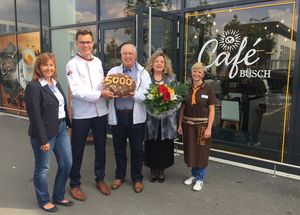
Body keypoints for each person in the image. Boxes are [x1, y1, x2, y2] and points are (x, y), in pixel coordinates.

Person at [66, 29, 116, 200]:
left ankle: (100, 178)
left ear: (93, 43)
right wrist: (101, 94)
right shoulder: (71, 64)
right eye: (82, 42)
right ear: (77, 44)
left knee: (101, 148)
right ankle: (74, 184)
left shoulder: (98, 61)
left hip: (100, 112)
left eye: (88, 42)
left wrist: (110, 87)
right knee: (77, 151)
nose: (86, 45)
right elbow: (78, 91)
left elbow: (102, 83)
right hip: (82, 115)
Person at [25, 53, 73, 212]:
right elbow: (35, 116)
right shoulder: (34, 87)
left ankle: (58, 196)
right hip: (44, 134)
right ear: (38, 67)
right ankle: (43, 199)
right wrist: (43, 140)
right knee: (43, 168)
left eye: (51, 65)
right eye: (45, 65)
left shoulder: (55, 83)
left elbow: (62, 106)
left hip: (61, 129)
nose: (49, 68)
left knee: (67, 163)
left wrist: (68, 124)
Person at [107, 43, 151, 193]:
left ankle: (137, 178)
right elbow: (106, 89)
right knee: (119, 149)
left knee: (137, 150)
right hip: (118, 116)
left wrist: (132, 93)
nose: (127, 56)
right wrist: (108, 91)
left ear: (135, 56)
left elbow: (147, 95)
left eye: (130, 54)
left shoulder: (143, 73)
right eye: (124, 53)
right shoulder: (113, 72)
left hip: (135, 116)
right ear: (121, 56)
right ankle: (119, 176)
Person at [177, 62, 216, 191]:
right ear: (191, 73)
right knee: (191, 150)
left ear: (203, 74)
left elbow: (212, 110)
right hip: (188, 125)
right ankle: (193, 175)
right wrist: (179, 125)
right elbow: (182, 108)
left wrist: (209, 127)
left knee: (201, 151)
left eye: (199, 72)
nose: (196, 74)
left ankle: (200, 178)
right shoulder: (186, 89)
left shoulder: (208, 89)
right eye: (194, 71)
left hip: (202, 126)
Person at [144, 51, 177, 183]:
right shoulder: (147, 78)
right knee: (151, 144)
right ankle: (152, 169)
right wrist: (153, 111)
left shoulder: (171, 79)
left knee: (164, 145)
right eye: (156, 61)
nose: (159, 64)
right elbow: (144, 98)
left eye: (162, 62)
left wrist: (166, 111)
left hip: (167, 120)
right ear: (152, 64)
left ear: (165, 65)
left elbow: (177, 99)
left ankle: (162, 170)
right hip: (150, 120)